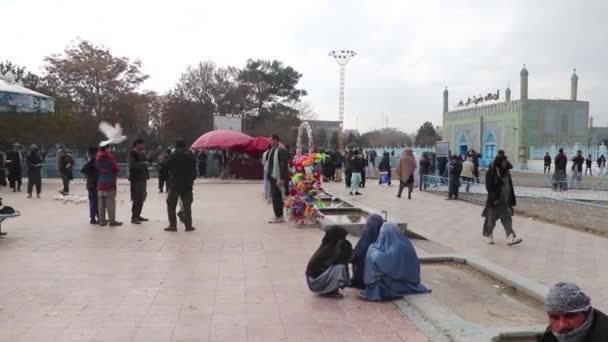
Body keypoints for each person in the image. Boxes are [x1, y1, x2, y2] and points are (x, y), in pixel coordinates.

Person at [361, 223, 430, 301]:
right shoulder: (406, 243)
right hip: (410, 282)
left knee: (372, 256)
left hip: (396, 285)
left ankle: (373, 290)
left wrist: (372, 252)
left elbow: (384, 261)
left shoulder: (395, 248)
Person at [540, 282, 608, 342]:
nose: (562, 325)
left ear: (587, 314)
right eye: (555, 317)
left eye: (570, 316)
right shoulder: (550, 336)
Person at [482, 152, 522, 245]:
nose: (505, 162)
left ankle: (510, 237)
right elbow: (489, 187)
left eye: (505, 160)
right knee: (491, 220)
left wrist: (511, 199)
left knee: (507, 219)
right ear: (499, 162)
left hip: (505, 201)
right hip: (495, 201)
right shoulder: (492, 172)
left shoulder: (506, 172)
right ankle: (489, 235)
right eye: (503, 160)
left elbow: (510, 185)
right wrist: (494, 198)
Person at [305, 226, 353, 298]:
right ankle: (329, 290)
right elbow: (350, 258)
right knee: (340, 267)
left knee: (340, 264)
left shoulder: (327, 245)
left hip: (313, 280)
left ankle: (330, 288)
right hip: (315, 282)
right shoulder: (332, 248)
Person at [164, 140, 197, 231]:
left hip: (176, 183)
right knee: (187, 205)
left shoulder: (175, 154)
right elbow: (194, 166)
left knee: (171, 204)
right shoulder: (190, 154)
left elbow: (167, 165)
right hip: (187, 183)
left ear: (176, 146)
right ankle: (188, 226)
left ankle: (173, 225)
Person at [350, 214, 384, 289]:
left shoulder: (367, 238)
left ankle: (360, 279)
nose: (366, 227)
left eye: (367, 225)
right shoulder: (383, 238)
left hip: (366, 277)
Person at [96, 144, 122, 227]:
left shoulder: (97, 158)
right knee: (110, 204)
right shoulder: (109, 158)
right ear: (106, 149)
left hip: (100, 184)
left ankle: (102, 221)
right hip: (110, 184)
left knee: (101, 205)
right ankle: (112, 221)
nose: (111, 149)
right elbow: (116, 169)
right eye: (110, 148)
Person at [267, 134, 289, 223]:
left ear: (276, 140)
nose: (270, 142)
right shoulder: (272, 150)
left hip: (279, 177)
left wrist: (282, 178)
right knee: (275, 197)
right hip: (273, 177)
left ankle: (279, 215)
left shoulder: (281, 150)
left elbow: (283, 165)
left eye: (271, 140)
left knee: (278, 197)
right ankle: (277, 214)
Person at [128, 138, 149, 224]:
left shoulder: (142, 153)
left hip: (143, 178)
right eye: (141, 144)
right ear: (137, 144)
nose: (143, 146)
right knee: (137, 198)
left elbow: (146, 162)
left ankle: (138, 214)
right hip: (136, 179)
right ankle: (134, 217)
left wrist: (150, 158)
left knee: (142, 197)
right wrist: (143, 163)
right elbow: (132, 165)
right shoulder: (132, 153)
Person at [81, 147, 99, 224]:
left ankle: (99, 216)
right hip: (92, 184)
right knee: (94, 202)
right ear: (95, 153)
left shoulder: (95, 161)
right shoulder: (92, 161)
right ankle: (92, 218)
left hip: (96, 184)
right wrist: (92, 173)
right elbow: (83, 170)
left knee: (98, 202)